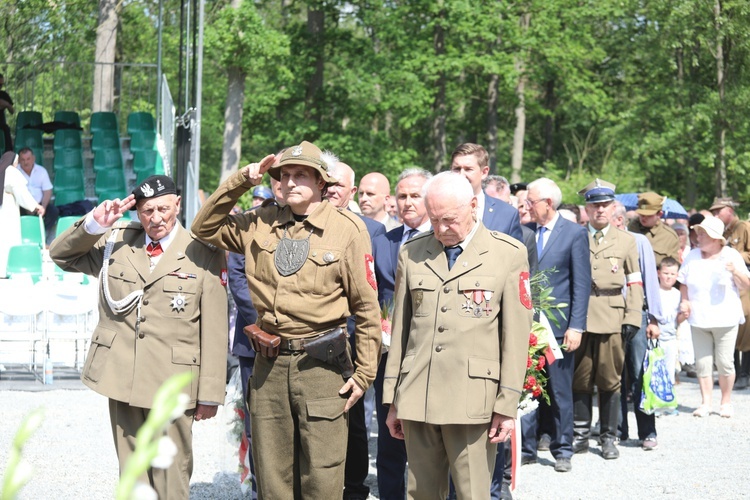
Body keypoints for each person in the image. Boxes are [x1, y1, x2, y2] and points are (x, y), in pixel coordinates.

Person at [191, 141, 381, 499]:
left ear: (322, 183)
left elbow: (367, 309)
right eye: (284, 176)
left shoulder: (348, 230)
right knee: (272, 477)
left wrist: (364, 374)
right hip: (270, 366)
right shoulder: (258, 223)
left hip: (322, 368)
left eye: (301, 175)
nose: (290, 182)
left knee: (321, 479)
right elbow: (204, 227)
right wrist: (241, 181)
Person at [49, 175, 228, 499]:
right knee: (132, 475)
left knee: (171, 475)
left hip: (174, 382)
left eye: (162, 208)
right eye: (146, 211)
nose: (155, 218)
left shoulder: (202, 251)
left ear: (177, 203)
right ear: (137, 212)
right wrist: (94, 225)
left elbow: (214, 328)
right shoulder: (118, 243)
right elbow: (61, 256)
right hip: (123, 376)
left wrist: (210, 393)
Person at [383, 171, 531, 500]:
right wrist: (393, 400)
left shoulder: (507, 254)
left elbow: (516, 337)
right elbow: (402, 330)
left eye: (449, 219)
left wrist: (506, 405)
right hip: (417, 397)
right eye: (433, 220)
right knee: (420, 494)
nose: (440, 229)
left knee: (472, 493)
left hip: (472, 400)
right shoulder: (412, 252)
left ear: (474, 206)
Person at [520, 178, 591, 473]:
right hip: (528, 325)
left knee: (560, 390)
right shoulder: (524, 233)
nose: (526, 206)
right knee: (528, 388)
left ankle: (563, 449)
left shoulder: (574, 233)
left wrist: (577, 325)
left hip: (560, 328)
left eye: (531, 202)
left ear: (548, 203)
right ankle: (527, 447)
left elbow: (581, 283)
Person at [371, 167, 432, 500]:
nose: (407, 202)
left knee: (431, 438)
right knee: (389, 436)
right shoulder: (383, 241)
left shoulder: (443, 240)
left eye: (415, 195)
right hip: (388, 357)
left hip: (431, 356)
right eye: (403, 196)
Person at [326, 160, 385, 500]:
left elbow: (376, 288)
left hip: (352, 338)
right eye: (328, 183)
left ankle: (355, 485)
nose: (332, 189)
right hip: (315, 339)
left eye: (339, 185)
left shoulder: (370, 230)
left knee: (355, 417)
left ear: (351, 191)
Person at [573, 179, 643, 460]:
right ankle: (579, 436)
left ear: (614, 207)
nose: (599, 210)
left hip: (613, 317)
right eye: (594, 205)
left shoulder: (626, 240)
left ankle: (608, 437)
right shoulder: (575, 236)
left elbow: (635, 281)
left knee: (610, 380)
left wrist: (633, 317)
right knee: (580, 378)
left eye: (604, 205)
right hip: (580, 317)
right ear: (586, 209)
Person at [228, 169, 279, 498]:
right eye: (280, 178)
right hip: (254, 342)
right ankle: (261, 490)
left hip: (304, 346)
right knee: (257, 423)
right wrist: (267, 324)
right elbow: (238, 276)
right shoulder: (249, 222)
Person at [678, 216, 750, 418]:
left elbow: (746, 285)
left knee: (725, 362)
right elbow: (683, 282)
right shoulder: (692, 256)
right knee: (702, 362)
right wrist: (685, 301)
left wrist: (735, 271)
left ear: (716, 238)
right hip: (699, 318)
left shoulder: (731, 255)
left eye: (702, 234)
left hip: (725, 318)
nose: (698, 237)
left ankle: (726, 401)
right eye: (698, 233)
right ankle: (705, 402)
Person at [611, 201, 662, 451]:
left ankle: (647, 431)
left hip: (638, 315)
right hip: (609, 315)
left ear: (619, 220)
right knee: (613, 375)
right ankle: (617, 430)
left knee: (640, 374)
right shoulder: (598, 242)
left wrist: (654, 318)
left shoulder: (638, 241)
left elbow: (650, 280)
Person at [709, 197, 750, 390]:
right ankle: (729, 372)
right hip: (727, 284)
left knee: (745, 331)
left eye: (719, 211)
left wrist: (735, 255)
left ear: (730, 211)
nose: (716, 214)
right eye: (714, 212)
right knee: (728, 326)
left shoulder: (743, 227)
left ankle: (744, 374)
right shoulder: (723, 231)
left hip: (743, 283)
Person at [449, 143, 523, 242]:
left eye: (468, 169)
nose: (461, 175)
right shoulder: (438, 209)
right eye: (457, 169)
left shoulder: (507, 214)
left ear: (484, 172)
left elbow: (516, 256)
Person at [0, 151, 45, 277]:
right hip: (8, 211)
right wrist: (35, 206)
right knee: (8, 239)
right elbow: (21, 193)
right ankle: (6, 270)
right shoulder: (11, 171)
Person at [17, 147, 59, 244]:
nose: (26, 162)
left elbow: (47, 190)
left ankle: (42, 235)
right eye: (23, 159)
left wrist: (43, 207)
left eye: (28, 159)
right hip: (22, 205)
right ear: (19, 160)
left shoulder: (41, 171)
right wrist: (28, 206)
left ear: (33, 159)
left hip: (40, 205)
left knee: (53, 211)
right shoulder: (15, 172)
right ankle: (23, 238)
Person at [627, 192, 681, 266]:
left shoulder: (669, 237)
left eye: (648, 215)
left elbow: (674, 267)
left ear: (659, 214)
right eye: (641, 214)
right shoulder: (630, 227)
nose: (644, 218)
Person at [658, 257, 686, 387]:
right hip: (655, 340)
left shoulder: (677, 294)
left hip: (671, 338)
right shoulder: (654, 292)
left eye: (672, 274)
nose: (669, 277)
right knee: (655, 370)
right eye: (665, 273)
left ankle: (668, 402)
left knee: (670, 371)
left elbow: (678, 320)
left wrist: (684, 315)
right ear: (659, 273)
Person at [0, 74, 14, 153]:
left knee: (6, 129)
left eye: (1, 85)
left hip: (1, 123)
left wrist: (7, 105)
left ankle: (8, 153)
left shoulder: (4, 94)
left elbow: (12, 111)